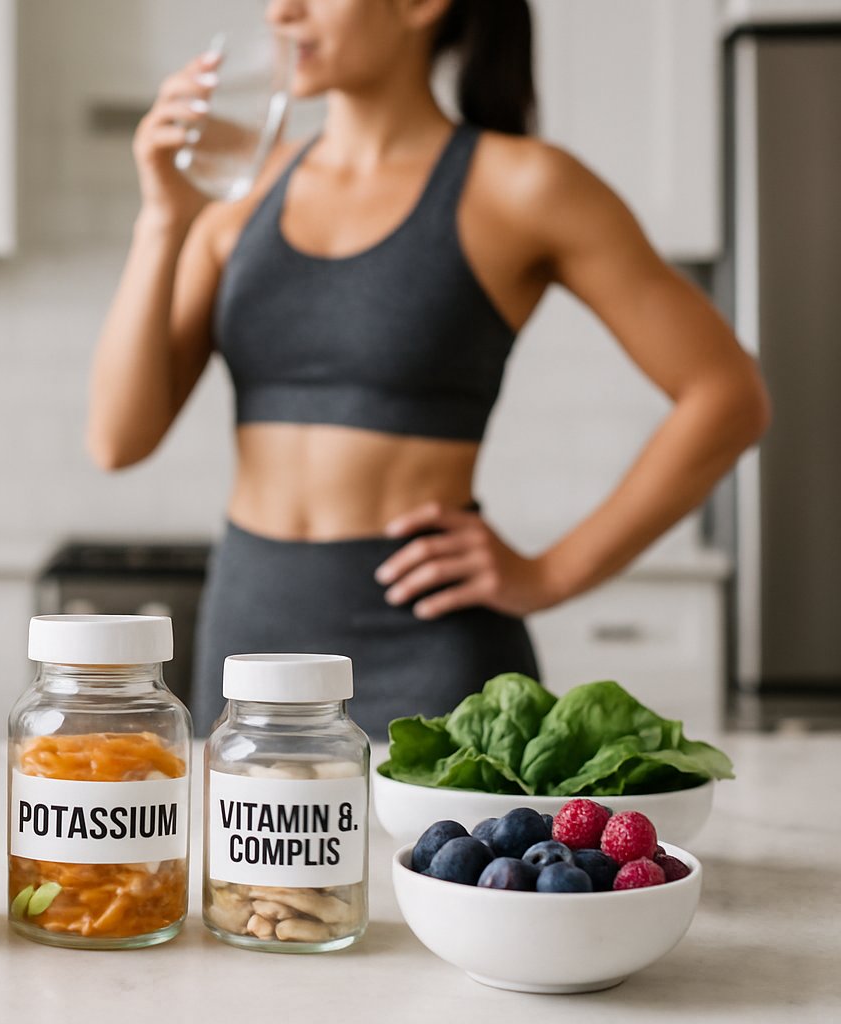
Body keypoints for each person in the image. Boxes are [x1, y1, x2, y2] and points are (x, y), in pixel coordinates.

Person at [86, 0, 769, 735]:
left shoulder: (523, 187)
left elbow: (728, 396)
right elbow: (118, 439)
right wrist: (162, 216)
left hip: (430, 654)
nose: (282, 10)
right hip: (251, 646)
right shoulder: (239, 193)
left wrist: (551, 573)